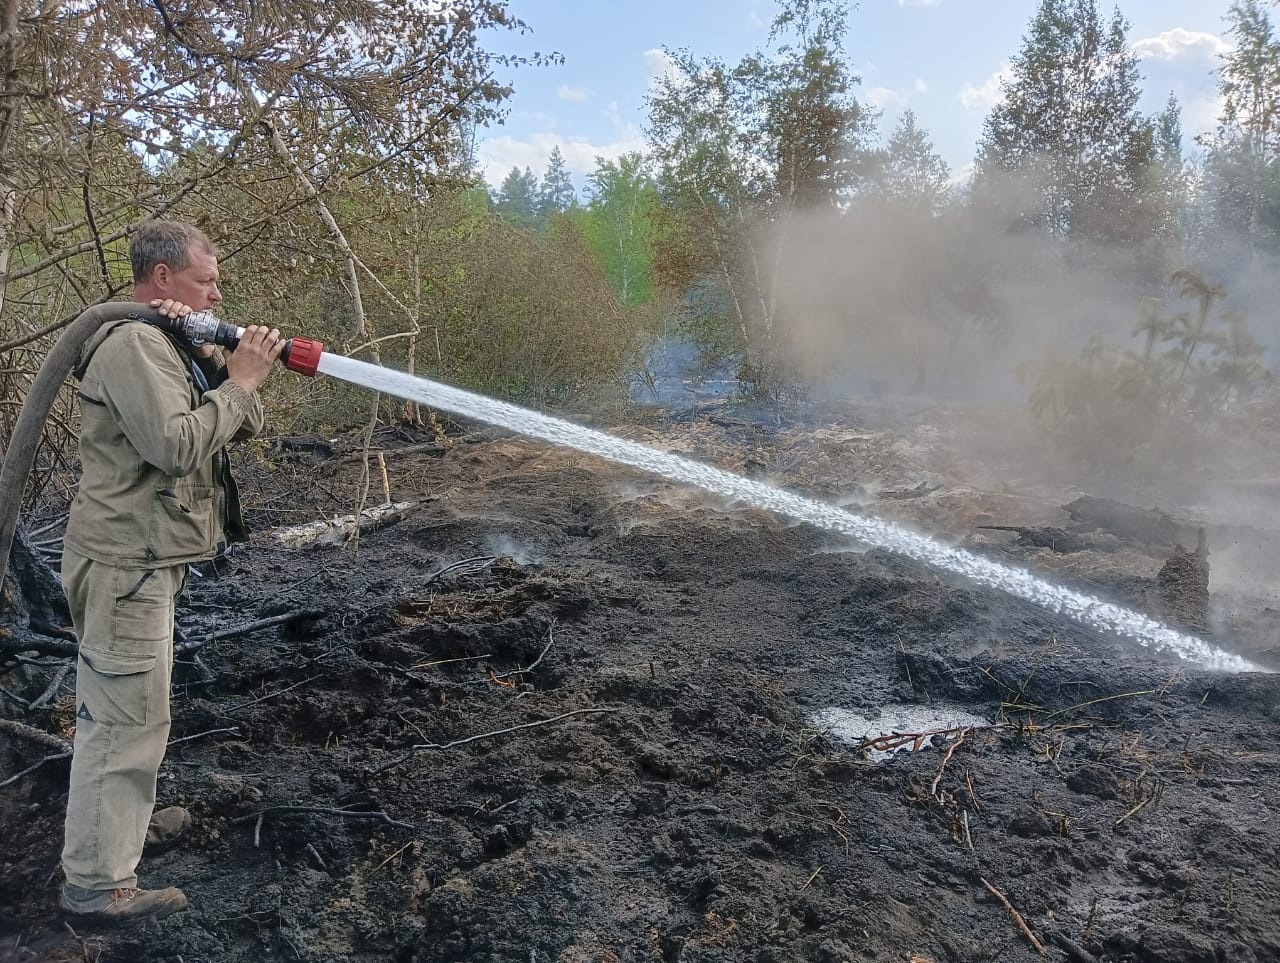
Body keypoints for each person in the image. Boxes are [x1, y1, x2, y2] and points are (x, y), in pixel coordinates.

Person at [58, 221, 284, 923]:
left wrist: (222, 362)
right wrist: (239, 382)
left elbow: (235, 421)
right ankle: (97, 884)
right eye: (205, 281)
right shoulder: (131, 344)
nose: (218, 292)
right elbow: (178, 445)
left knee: (136, 716)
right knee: (123, 724)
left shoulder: (165, 343)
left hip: (145, 560)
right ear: (161, 280)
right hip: (127, 564)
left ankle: (115, 833)